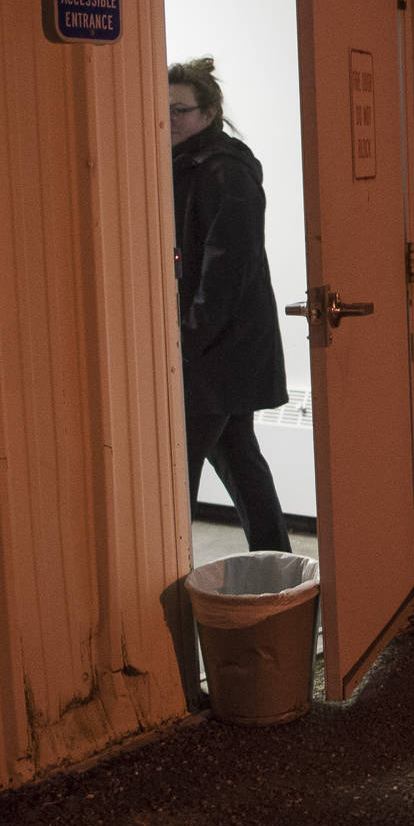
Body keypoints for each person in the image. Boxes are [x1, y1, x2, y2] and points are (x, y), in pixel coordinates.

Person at [169, 57, 293, 552]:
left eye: (179, 109)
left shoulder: (226, 172)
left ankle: (163, 579)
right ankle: (283, 577)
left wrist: (186, 338)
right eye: (161, 108)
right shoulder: (185, 165)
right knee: (241, 462)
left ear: (209, 111)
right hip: (217, 352)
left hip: (215, 352)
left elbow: (225, 272)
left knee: (174, 478)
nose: (168, 118)